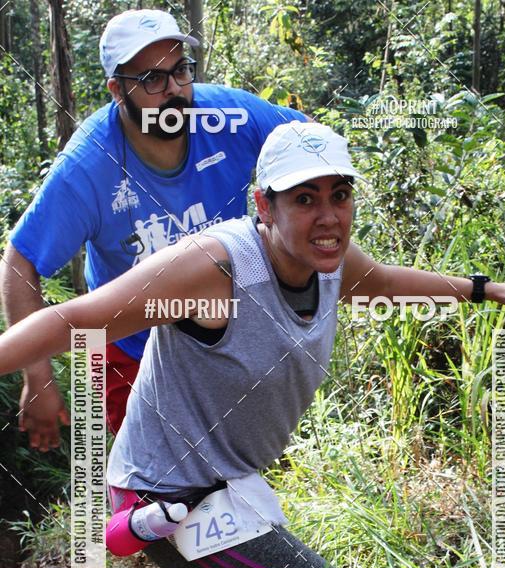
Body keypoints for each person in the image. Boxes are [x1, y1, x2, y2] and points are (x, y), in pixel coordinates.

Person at [0, 121, 505, 568]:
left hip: (228, 488)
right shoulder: (214, 270)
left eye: (338, 195)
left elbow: (391, 283)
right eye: (304, 199)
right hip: (162, 496)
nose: (328, 216)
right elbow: (75, 319)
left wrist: (491, 289)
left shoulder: (330, 261)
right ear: (263, 206)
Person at [0, 8, 306, 448]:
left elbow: (309, 143)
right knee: (158, 492)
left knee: (239, 473)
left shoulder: (229, 116)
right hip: (130, 350)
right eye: (152, 80)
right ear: (117, 90)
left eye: (180, 71)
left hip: (227, 338)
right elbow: (20, 261)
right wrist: (38, 375)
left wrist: (284, 236)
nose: (174, 91)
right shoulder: (87, 168)